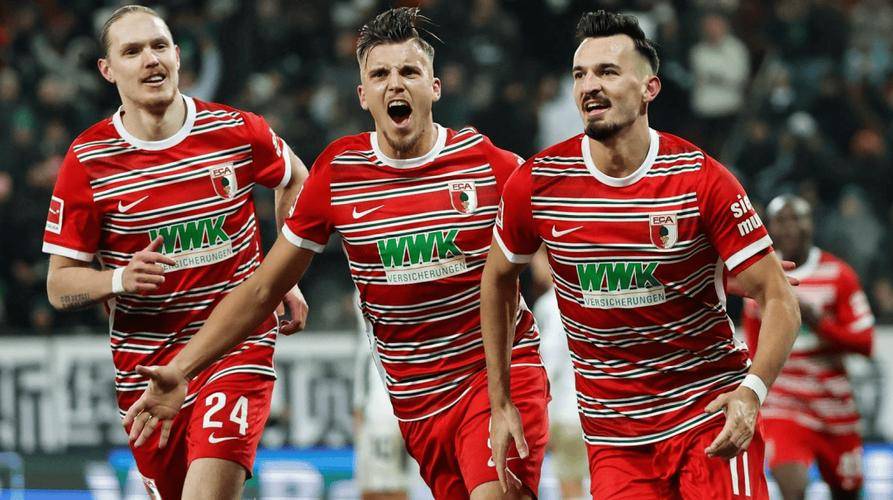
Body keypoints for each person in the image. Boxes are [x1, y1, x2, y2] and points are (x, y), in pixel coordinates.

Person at [122, 8, 550, 500]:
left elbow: (576, 227)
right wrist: (181, 369)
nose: (396, 84)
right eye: (380, 74)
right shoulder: (339, 174)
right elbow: (263, 288)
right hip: (417, 404)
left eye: (409, 72)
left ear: (434, 87)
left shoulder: (489, 165)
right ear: (362, 94)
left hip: (498, 378)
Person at [482, 10, 800, 499]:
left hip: (706, 416)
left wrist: (752, 391)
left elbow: (780, 299)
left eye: (608, 72)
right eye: (580, 75)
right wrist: (500, 400)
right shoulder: (538, 183)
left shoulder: (700, 179)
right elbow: (497, 277)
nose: (590, 85)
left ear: (650, 88)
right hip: (615, 441)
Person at [41, 6, 309, 499]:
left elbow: (294, 177)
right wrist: (118, 278)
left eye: (159, 46)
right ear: (107, 70)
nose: (150, 59)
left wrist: (280, 274)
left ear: (178, 56)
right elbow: (59, 285)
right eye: (132, 51)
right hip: (147, 369)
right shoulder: (88, 160)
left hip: (236, 348)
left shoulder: (236, 130)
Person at [743, 195, 874, 500]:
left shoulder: (838, 275)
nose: (789, 227)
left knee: (847, 491)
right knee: (793, 490)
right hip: (784, 405)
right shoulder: (760, 277)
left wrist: (818, 322)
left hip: (833, 407)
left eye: (796, 218)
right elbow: (754, 350)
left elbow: (865, 343)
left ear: (810, 224)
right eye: (780, 220)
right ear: (769, 228)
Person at [529, 250, 588, 499]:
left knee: (571, 491)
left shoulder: (551, 304)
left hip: (568, 416)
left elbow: (547, 365)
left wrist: (539, 419)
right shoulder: (586, 298)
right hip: (600, 412)